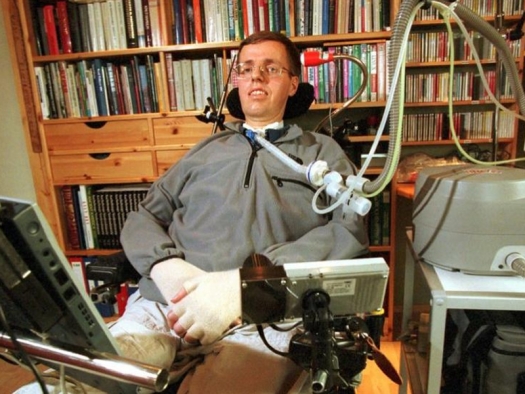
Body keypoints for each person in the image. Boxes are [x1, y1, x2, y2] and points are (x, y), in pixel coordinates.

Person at [111, 31, 369, 393]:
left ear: (293, 84)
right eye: (246, 69)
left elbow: (349, 228)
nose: (256, 77)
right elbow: (143, 217)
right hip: (167, 303)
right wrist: (167, 269)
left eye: (270, 68)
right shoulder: (204, 151)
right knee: (83, 379)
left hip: (264, 315)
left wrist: (247, 281)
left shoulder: (320, 154)